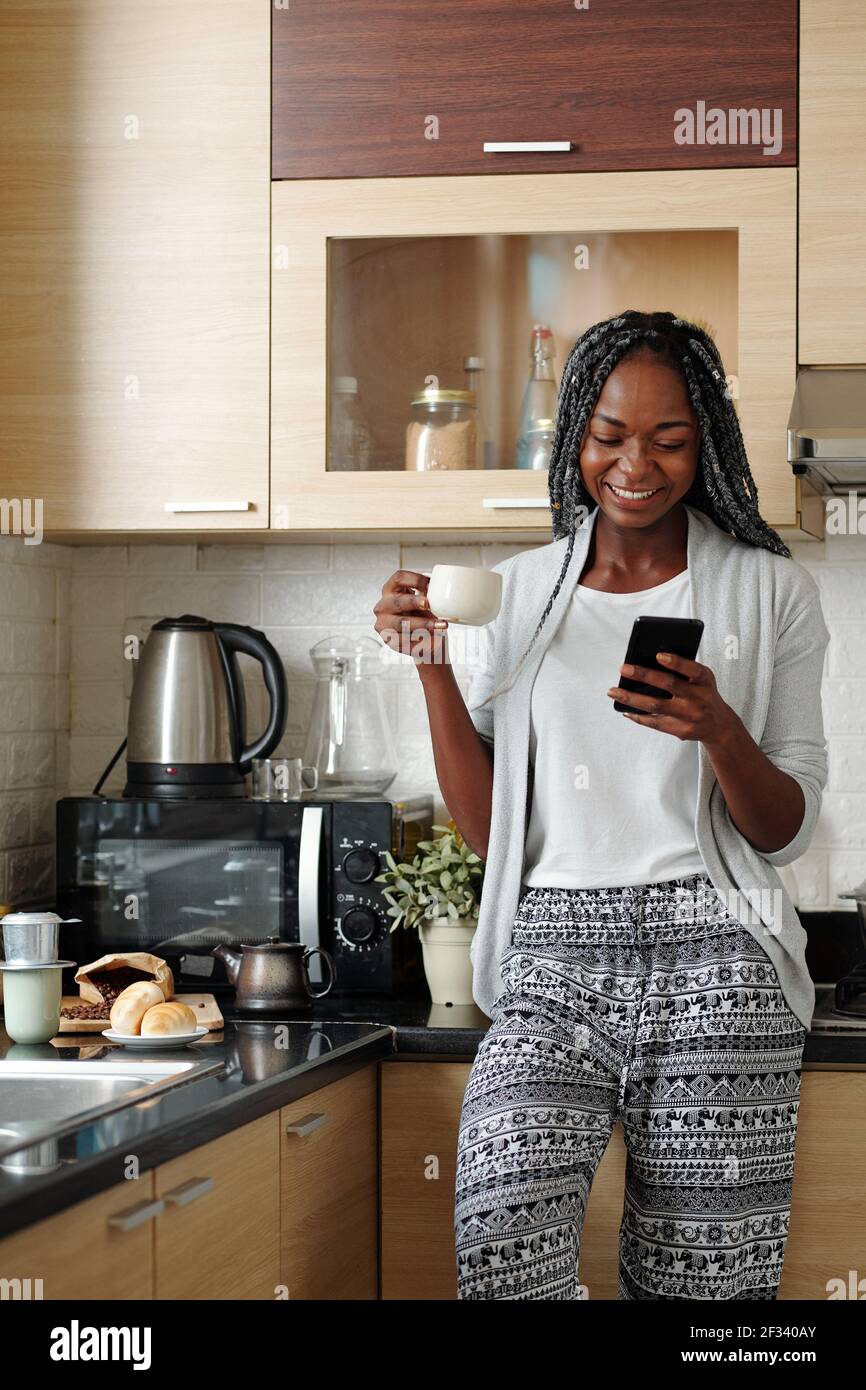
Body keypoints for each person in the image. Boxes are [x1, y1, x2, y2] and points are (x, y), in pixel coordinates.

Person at [372, 310, 829, 1300]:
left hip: (719, 957)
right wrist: (433, 671)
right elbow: (494, 839)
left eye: (667, 437)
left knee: (705, 1293)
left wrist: (716, 729)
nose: (635, 462)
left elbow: (783, 827)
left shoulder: (766, 592)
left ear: (702, 442)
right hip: (549, 963)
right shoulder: (518, 594)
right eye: (609, 435)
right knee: (501, 1249)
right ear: (574, 433)